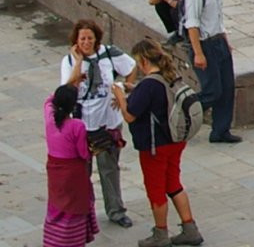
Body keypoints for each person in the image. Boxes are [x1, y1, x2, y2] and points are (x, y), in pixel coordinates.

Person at [114, 38, 199, 247]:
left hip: (155, 146)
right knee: (173, 183)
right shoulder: (169, 76)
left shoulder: (148, 85)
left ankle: (160, 234)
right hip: (175, 142)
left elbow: (131, 115)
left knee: (156, 189)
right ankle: (190, 228)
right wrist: (135, 89)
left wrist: (120, 96)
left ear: (143, 60)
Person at [59, 18, 135, 230]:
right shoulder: (68, 61)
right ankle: (83, 213)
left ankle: (116, 210)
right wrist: (77, 62)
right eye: (82, 38)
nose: (86, 42)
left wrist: (122, 89)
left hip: (108, 123)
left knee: (109, 169)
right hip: (81, 126)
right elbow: (66, 87)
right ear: (76, 40)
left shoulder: (109, 54)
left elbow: (132, 67)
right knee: (82, 173)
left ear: (96, 39)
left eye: (90, 38)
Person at [183, 0, 238, 143]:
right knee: (212, 91)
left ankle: (221, 131)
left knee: (228, 88)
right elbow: (192, 23)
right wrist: (198, 53)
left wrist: (225, 41)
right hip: (205, 45)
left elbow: (217, 17)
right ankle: (183, 112)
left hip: (219, 42)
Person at [45, 83, 100, 247]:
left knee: (56, 204)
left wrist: (71, 80)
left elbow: (49, 100)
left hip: (54, 171)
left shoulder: (48, 117)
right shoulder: (77, 125)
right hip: (73, 174)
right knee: (74, 208)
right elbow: (83, 153)